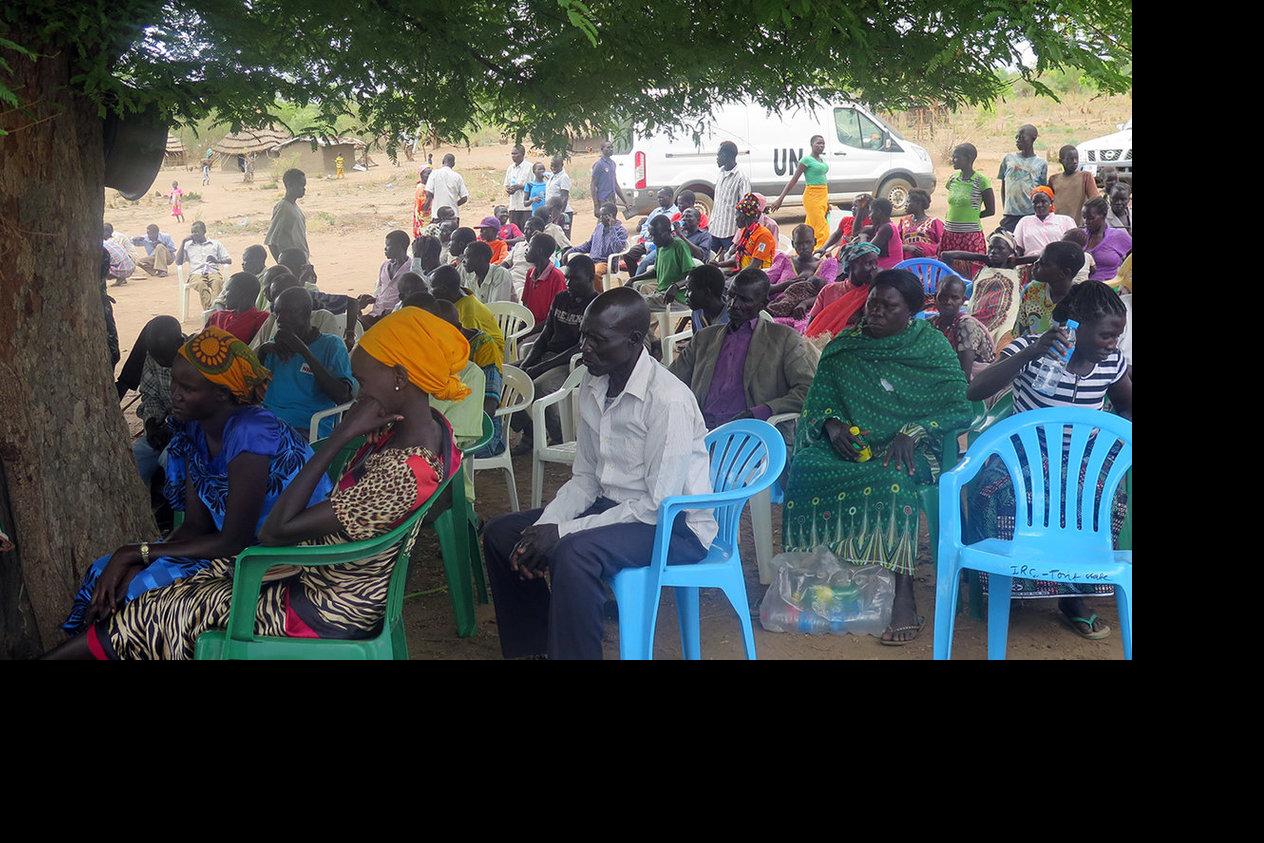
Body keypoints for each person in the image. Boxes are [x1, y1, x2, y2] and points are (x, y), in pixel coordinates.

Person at [47, 311, 469, 660]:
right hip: (312, 571)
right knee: (157, 593)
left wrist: (340, 436)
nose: (357, 390)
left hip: (323, 605)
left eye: (363, 378)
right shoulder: (425, 428)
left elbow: (273, 531)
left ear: (400, 377)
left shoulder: (404, 469)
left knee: (157, 611)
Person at [54, 327, 333, 641]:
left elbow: (235, 541)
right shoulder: (194, 429)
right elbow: (196, 525)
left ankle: (105, 647)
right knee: (104, 571)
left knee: (138, 591)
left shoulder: (250, 431)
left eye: (188, 388)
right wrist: (144, 559)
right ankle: (92, 645)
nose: (175, 394)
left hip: (280, 558)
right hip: (229, 547)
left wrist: (137, 553)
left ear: (222, 393)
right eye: (174, 381)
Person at [481, 287, 716, 660]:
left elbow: (658, 505)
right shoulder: (594, 383)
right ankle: (536, 649)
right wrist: (546, 526)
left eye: (597, 340)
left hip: (674, 526)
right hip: (615, 509)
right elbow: (586, 478)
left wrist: (562, 532)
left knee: (573, 552)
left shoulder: (667, 400)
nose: (584, 348)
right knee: (503, 535)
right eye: (583, 336)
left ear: (634, 340)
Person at [782, 269, 975, 645]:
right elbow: (818, 402)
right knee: (805, 466)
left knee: (892, 480)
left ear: (912, 312)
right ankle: (814, 579)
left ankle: (904, 594)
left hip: (909, 448)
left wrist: (913, 431)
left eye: (889, 306)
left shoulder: (930, 347)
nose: (877, 311)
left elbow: (959, 406)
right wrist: (832, 425)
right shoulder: (845, 346)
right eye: (873, 303)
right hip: (852, 444)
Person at [965, 281, 1132, 639]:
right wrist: (1030, 353)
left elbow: (1127, 406)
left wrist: (1115, 443)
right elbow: (976, 391)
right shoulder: (1032, 349)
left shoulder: (1112, 363)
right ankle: (1008, 581)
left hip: (1082, 456)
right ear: (1075, 326)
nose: (1112, 344)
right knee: (997, 493)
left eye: (1117, 336)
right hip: (1025, 453)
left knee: (1100, 497)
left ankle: (1074, 594)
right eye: (1106, 336)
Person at [670, 267, 817, 432]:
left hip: (753, 433)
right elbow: (671, 379)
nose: (734, 305)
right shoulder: (704, 338)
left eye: (744, 300)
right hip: (699, 429)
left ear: (763, 304)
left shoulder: (784, 339)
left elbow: (809, 389)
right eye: (731, 296)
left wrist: (762, 411)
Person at [258, 287, 357, 439]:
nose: (279, 319)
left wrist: (305, 352)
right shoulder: (275, 347)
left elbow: (343, 396)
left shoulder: (331, 345)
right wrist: (263, 351)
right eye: (277, 312)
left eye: (287, 312)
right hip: (267, 422)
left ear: (305, 313)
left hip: (307, 427)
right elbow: (253, 388)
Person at [123, 316, 184, 488]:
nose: (160, 362)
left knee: (169, 459)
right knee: (135, 457)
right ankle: (140, 501)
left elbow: (202, 411)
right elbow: (151, 396)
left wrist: (173, 429)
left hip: (193, 430)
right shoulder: (154, 355)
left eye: (164, 356)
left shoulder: (195, 361)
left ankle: (176, 502)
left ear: (179, 342)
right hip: (166, 426)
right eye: (155, 356)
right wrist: (151, 425)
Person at [941, 230, 1028, 347]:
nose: (994, 251)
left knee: (1003, 346)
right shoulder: (978, 270)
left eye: (1000, 249)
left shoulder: (1021, 273)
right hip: (976, 320)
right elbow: (946, 256)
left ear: (1011, 252)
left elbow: (1044, 258)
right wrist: (983, 258)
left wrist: (1018, 260)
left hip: (1005, 324)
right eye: (991, 248)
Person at [803, 241, 882, 348]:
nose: (874, 268)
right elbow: (812, 324)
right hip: (821, 344)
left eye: (875, 263)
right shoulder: (829, 290)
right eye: (868, 263)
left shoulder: (874, 293)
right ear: (851, 265)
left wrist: (877, 284)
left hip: (851, 347)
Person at [429, 264, 507, 364]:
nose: (430, 292)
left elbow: (469, 346)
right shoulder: (459, 296)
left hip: (490, 357)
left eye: (432, 288)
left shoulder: (468, 314)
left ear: (444, 289)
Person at [1010, 239, 1086, 338]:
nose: (1035, 264)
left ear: (1064, 273)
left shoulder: (1081, 302)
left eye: (1043, 263)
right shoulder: (1032, 290)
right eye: (1038, 259)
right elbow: (1019, 331)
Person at [764, 224, 839, 324]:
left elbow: (828, 293)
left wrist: (805, 303)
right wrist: (785, 285)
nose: (804, 247)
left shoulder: (828, 265)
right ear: (793, 244)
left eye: (808, 242)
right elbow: (763, 286)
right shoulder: (784, 261)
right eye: (799, 243)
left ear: (815, 241)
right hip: (776, 309)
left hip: (806, 314)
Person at [941, 143, 996, 277]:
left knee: (972, 273)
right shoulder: (953, 179)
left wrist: (972, 216)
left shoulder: (981, 181)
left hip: (970, 237)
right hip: (949, 234)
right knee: (950, 273)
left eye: (957, 157)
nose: (953, 160)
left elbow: (991, 210)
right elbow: (955, 204)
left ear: (969, 158)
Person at [628, 216, 703, 311]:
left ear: (667, 232)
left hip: (676, 298)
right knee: (637, 287)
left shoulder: (679, 245)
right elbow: (655, 271)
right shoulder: (660, 246)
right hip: (662, 291)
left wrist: (676, 286)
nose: (652, 239)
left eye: (655, 235)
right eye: (651, 235)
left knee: (635, 304)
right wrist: (633, 279)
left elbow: (692, 275)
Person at [769, 134, 830, 249]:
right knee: (822, 227)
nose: (821, 145)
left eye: (823, 143)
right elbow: (793, 181)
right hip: (812, 196)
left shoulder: (822, 160)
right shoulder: (806, 160)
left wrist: (827, 202)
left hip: (823, 196)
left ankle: (809, 251)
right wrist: (780, 199)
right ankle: (820, 251)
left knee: (812, 226)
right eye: (818, 143)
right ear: (811, 144)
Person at [931, 275, 994, 380]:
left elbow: (964, 375)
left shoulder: (966, 325)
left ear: (962, 300)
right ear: (935, 297)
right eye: (943, 296)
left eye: (954, 298)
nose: (948, 301)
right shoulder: (932, 323)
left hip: (976, 382)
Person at [564, 202, 628, 289]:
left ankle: (598, 296)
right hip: (591, 261)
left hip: (606, 263)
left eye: (603, 216)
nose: (600, 218)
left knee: (595, 273)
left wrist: (611, 228)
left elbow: (617, 249)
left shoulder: (621, 231)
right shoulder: (599, 227)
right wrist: (570, 251)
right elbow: (588, 245)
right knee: (574, 270)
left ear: (611, 215)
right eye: (600, 215)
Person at [997, 124, 1048, 232]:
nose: (1017, 139)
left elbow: (1042, 191)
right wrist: (1006, 210)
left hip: (1031, 213)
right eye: (1017, 137)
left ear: (1033, 138)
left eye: (1021, 136)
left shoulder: (1041, 163)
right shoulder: (1008, 159)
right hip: (1011, 214)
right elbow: (1004, 186)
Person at [360, 229, 413, 325]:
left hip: (394, 317)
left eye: (388, 245)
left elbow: (410, 299)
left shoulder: (411, 269)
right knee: (355, 323)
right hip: (376, 313)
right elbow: (380, 289)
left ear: (400, 246)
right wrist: (374, 299)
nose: (385, 249)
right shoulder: (385, 265)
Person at [176, 221, 233, 310]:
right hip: (196, 274)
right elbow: (178, 262)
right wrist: (183, 242)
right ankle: (212, 310)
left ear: (204, 231)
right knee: (201, 284)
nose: (194, 234)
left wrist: (217, 261)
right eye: (192, 232)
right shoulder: (188, 246)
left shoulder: (215, 244)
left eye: (197, 231)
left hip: (213, 271)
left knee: (217, 282)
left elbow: (229, 260)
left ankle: (213, 309)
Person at [622, 187, 679, 274]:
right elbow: (645, 226)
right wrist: (648, 235)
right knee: (628, 255)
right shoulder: (656, 211)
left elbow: (671, 232)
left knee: (645, 263)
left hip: (661, 245)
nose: (659, 200)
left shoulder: (676, 213)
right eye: (658, 197)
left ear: (670, 196)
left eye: (661, 197)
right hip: (648, 242)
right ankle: (634, 277)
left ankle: (635, 280)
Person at [709, 141, 751, 256]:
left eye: (718, 155)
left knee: (730, 263)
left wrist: (740, 232)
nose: (717, 158)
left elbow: (745, 207)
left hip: (730, 232)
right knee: (709, 260)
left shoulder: (741, 177)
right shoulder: (721, 173)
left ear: (726, 156)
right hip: (715, 229)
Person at [717, 193, 776, 272]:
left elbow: (754, 266)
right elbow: (738, 260)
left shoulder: (763, 235)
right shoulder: (746, 232)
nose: (735, 219)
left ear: (743, 217)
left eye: (737, 215)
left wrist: (735, 278)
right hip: (744, 271)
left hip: (757, 275)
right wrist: (718, 264)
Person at [519, 233, 567, 330]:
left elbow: (555, 316)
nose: (526, 250)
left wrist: (529, 332)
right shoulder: (530, 273)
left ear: (539, 251)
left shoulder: (557, 277)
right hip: (531, 325)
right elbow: (526, 305)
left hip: (547, 328)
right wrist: (523, 328)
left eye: (530, 246)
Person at [1013, 186, 1077, 257]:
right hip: (1031, 262)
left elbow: (1075, 246)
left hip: (1059, 261)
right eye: (1035, 202)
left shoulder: (1066, 221)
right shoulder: (1024, 221)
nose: (1039, 205)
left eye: (1043, 201)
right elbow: (1017, 247)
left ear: (1051, 202)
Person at [207, 273, 269, 342]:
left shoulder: (262, 319)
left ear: (242, 293)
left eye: (228, 290)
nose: (224, 295)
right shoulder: (216, 317)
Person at [263, 169, 309, 261]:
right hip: (292, 262)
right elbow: (272, 242)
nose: (304, 189)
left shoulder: (294, 206)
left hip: (301, 261)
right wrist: (283, 266)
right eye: (301, 185)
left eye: (304, 186)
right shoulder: (283, 208)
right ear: (289, 185)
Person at [1082, 197, 1132, 282]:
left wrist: (1125, 277)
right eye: (1084, 217)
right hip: (1082, 286)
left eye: (1091, 218)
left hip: (1110, 286)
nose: (1086, 222)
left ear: (1104, 215)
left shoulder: (1118, 236)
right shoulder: (1080, 236)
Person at [1047, 145, 1099, 227]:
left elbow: (1095, 200)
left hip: (1078, 225)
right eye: (1070, 159)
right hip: (1057, 225)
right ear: (1061, 161)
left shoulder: (1085, 176)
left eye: (1076, 158)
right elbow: (1047, 201)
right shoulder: (1054, 179)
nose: (1075, 161)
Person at [458, 239, 517, 305]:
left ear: (481, 258)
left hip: (502, 311)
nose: (463, 261)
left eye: (467, 257)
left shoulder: (501, 274)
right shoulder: (470, 274)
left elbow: (498, 307)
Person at [503, 216, 546, 297]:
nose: (525, 232)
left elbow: (546, 268)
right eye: (525, 228)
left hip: (525, 283)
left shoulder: (544, 248)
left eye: (529, 229)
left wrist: (537, 243)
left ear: (539, 230)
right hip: (509, 278)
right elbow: (506, 263)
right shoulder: (519, 245)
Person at [590, 138, 632, 218]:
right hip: (603, 200)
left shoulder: (612, 164)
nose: (611, 149)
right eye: (608, 147)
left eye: (612, 147)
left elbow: (615, 184)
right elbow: (593, 185)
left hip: (612, 199)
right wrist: (596, 205)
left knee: (612, 221)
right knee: (603, 221)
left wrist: (625, 202)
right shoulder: (599, 165)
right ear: (602, 149)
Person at [898, 189, 945, 259]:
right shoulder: (903, 222)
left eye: (908, 202)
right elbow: (895, 243)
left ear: (918, 203)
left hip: (929, 262)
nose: (905, 205)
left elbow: (943, 243)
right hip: (908, 263)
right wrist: (907, 247)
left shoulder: (934, 222)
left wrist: (932, 254)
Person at [684, 264, 729, 334]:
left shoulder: (730, 321)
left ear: (706, 292)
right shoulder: (697, 313)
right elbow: (696, 339)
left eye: (689, 289)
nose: (685, 294)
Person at [425, 153, 470, 223]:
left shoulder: (434, 174)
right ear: (453, 164)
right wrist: (454, 204)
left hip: (437, 215)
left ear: (442, 161)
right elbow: (464, 198)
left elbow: (428, 193)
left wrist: (427, 206)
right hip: (453, 216)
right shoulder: (457, 176)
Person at [861, 198, 904, 270]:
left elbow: (866, 252)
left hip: (891, 271)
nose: (869, 216)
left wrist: (863, 237)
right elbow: (857, 232)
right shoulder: (881, 226)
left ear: (878, 212)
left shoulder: (886, 228)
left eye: (871, 212)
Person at [504, 144, 535, 230]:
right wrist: (509, 190)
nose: (513, 156)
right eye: (512, 154)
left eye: (516, 153)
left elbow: (535, 186)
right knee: (514, 232)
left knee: (527, 231)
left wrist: (520, 187)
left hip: (526, 207)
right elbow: (506, 185)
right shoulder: (510, 168)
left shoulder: (530, 167)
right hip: (513, 206)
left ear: (522, 154)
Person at [98, 248, 120, 365]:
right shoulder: (103, 253)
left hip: (101, 300)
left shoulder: (103, 252)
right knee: (113, 353)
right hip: (101, 304)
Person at [545, 155, 573, 235]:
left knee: (563, 236)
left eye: (556, 166)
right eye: (552, 165)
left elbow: (564, 197)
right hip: (552, 212)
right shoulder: (552, 176)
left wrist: (560, 214)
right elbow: (544, 174)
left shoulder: (564, 177)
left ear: (562, 165)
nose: (553, 168)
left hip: (563, 212)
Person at [412, 165, 433, 238]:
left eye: (431, 173)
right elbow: (423, 207)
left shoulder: (427, 186)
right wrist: (430, 196)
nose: (430, 176)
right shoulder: (421, 188)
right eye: (428, 173)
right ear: (421, 175)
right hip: (424, 219)